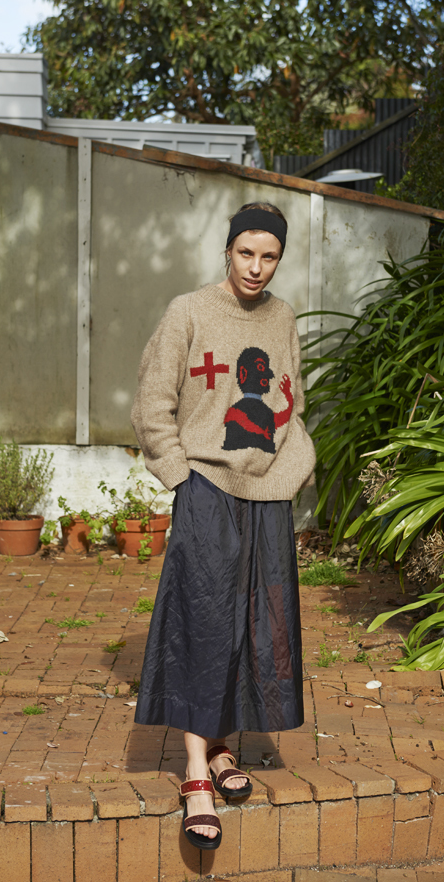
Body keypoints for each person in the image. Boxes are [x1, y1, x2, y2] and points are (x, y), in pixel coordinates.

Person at [130, 201, 316, 850]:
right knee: (204, 619)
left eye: (269, 256)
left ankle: (221, 747)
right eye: (245, 253)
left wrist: (294, 461)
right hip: (206, 486)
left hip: (269, 492)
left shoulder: (282, 317)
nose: (256, 268)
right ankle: (193, 774)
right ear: (228, 250)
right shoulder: (188, 312)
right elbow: (152, 401)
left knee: (255, 623)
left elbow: (291, 397)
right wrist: (179, 474)